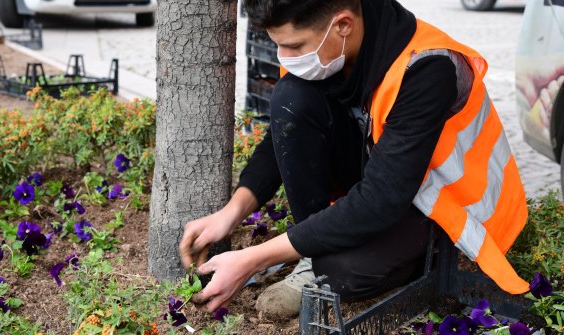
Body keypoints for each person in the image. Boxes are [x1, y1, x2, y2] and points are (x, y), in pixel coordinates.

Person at [179, 0, 530, 317]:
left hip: (446, 207)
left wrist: (254, 259)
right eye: (278, 44)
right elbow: (281, 137)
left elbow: (381, 199)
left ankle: (402, 258)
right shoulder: (326, 47)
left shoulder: (428, 68)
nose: (284, 56)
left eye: (294, 46)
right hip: (386, 179)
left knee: (340, 271)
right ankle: (311, 256)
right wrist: (232, 212)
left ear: (343, 24)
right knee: (291, 96)